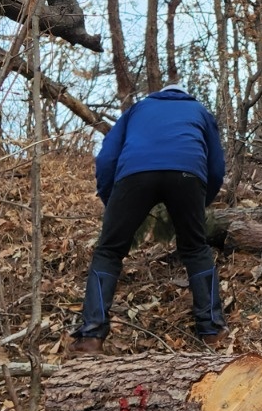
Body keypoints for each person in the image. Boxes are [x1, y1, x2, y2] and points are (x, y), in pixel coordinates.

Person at [71, 83, 227, 353]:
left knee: (108, 251)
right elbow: (216, 167)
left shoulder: (137, 109)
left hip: (134, 174)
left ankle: (91, 336)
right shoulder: (199, 111)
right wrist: (201, 201)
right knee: (195, 248)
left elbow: (107, 157)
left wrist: (112, 200)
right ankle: (212, 331)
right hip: (188, 174)